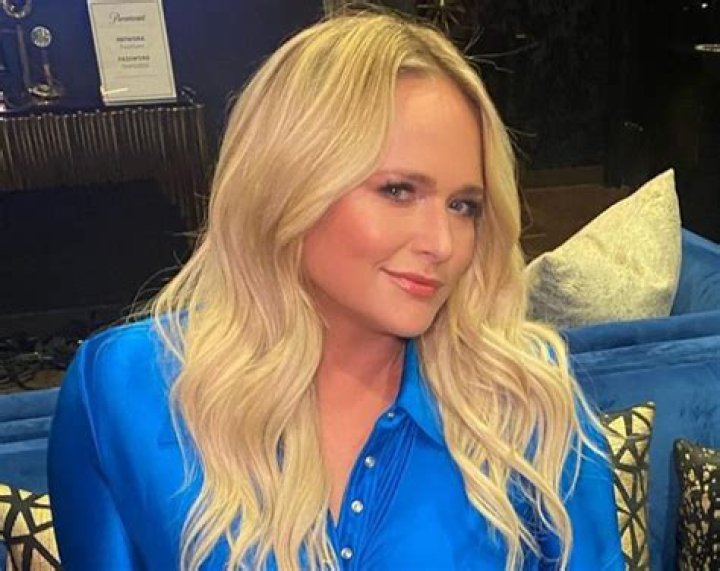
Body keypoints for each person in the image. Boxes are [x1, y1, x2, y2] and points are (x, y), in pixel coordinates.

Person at [48, 7, 623, 571]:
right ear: (288, 183)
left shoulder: (528, 400)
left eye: (464, 206)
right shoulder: (124, 388)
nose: (442, 243)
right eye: (398, 191)